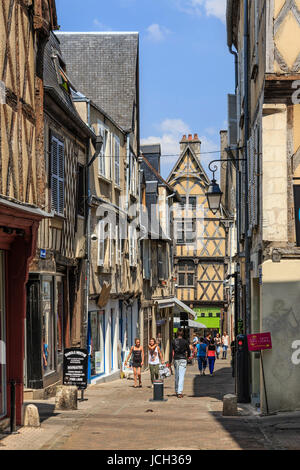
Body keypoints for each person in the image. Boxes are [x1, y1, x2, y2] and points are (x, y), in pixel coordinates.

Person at [171, 328, 191, 398]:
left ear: (177, 334)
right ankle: (179, 392)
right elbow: (189, 350)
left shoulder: (173, 341)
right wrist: (188, 356)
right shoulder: (185, 342)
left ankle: (176, 390)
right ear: (182, 334)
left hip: (176, 359)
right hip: (182, 358)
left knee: (177, 375)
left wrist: (170, 361)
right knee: (181, 376)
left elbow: (171, 351)